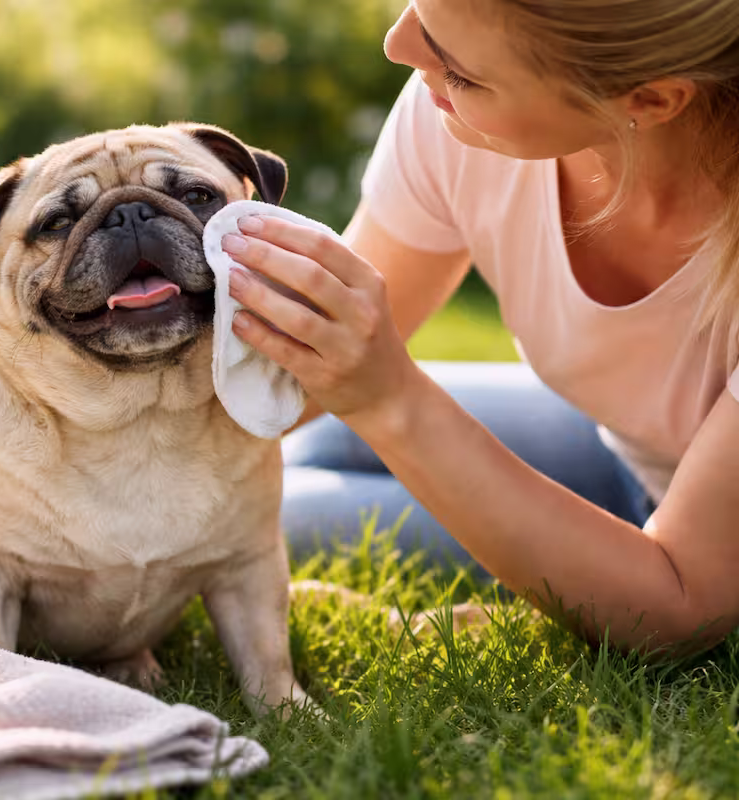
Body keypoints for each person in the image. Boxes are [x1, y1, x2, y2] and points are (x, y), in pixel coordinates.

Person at [222, 0, 739, 653]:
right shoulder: (453, 118)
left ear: (650, 98)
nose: (399, 45)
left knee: (283, 514)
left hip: (705, 559)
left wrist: (388, 400)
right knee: (307, 451)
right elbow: (299, 378)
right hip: (629, 451)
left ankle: (601, 574)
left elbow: (682, 607)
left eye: (463, 71)